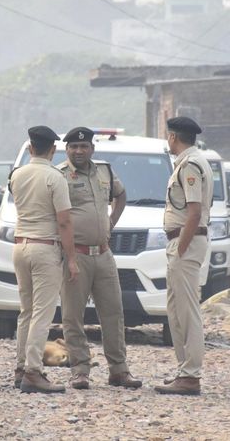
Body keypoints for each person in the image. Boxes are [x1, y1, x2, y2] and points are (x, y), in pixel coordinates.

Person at [57, 127, 142, 390]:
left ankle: (119, 370)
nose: (79, 151)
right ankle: (80, 370)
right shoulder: (59, 176)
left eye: (84, 147)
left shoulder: (104, 170)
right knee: (73, 316)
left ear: (92, 149)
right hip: (76, 255)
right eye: (74, 147)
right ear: (66, 149)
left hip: (104, 254)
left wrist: (110, 223)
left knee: (113, 313)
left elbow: (121, 195)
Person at [10, 126, 78, 393]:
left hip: (20, 246)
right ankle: (33, 371)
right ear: (53, 149)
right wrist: (71, 258)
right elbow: (64, 221)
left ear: (30, 149)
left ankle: (20, 366)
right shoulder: (55, 177)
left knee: (26, 311)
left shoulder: (17, 175)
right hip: (45, 247)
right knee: (42, 312)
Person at [155, 116, 212, 395]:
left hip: (186, 243)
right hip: (184, 241)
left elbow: (194, 211)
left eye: (169, 136)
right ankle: (183, 371)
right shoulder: (191, 161)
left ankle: (190, 375)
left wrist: (180, 248)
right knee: (176, 309)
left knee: (187, 310)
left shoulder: (190, 164)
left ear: (174, 137)